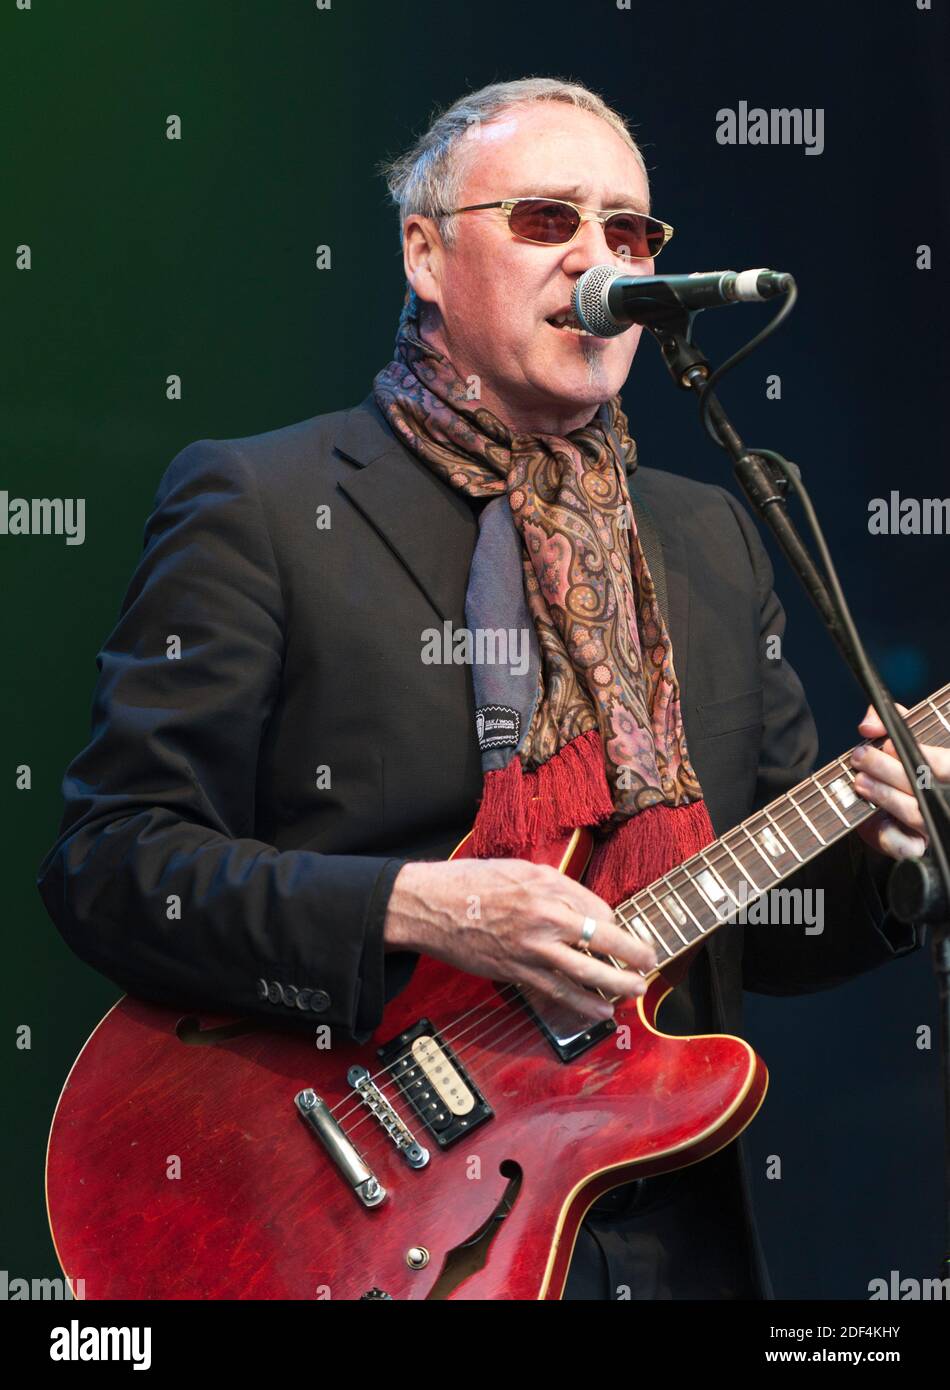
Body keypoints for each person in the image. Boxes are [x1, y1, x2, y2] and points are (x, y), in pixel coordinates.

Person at [36, 77, 943, 1301]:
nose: (596, 258)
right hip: (349, 1202)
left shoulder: (708, 535)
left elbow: (752, 931)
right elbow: (112, 867)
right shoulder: (264, 507)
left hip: (665, 1234)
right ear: (423, 251)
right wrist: (416, 908)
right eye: (545, 219)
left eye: (628, 233)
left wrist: (894, 849)